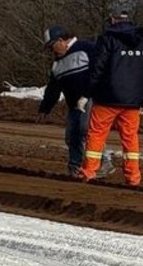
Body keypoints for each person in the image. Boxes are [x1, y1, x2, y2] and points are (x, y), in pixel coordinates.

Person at [80, 11, 143, 187]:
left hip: (107, 98)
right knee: (130, 138)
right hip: (133, 101)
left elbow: (97, 68)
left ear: (112, 20)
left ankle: (89, 172)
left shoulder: (107, 39)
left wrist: (86, 93)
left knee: (96, 135)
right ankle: (133, 177)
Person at [38, 25, 112, 178]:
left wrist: (92, 93)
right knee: (71, 136)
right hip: (73, 104)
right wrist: (45, 108)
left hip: (91, 97)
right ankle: (75, 167)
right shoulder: (57, 64)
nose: (52, 51)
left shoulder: (86, 48)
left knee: (86, 130)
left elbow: (101, 70)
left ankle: (104, 161)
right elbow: (53, 88)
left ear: (61, 41)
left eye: (52, 47)